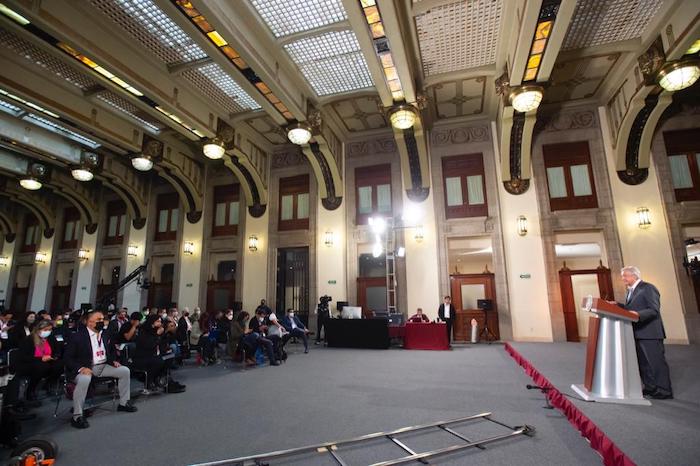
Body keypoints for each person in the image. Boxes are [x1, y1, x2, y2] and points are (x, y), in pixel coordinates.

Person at [63, 310, 137, 429]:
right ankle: (77, 415)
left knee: (124, 371)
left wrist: (113, 360)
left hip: (103, 365)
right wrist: (81, 368)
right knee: (84, 380)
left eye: (102, 319)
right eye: (98, 320)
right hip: (85, 367)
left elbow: (111, 350)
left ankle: (124, 403)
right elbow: (67, 358)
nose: (101, 322)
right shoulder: (77, 336)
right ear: (89, 322)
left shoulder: (106, 334)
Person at [617, 266, 673, 399]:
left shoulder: (648, 288)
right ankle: (650, 387)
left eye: (625, 276)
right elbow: (631, 309)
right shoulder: (630, 291)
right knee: (644, 363)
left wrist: (638, 314)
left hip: (650, 333)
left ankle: (664, 390)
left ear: (634, 276)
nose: (623, 279)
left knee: (655, 362)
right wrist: (618, 306)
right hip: (637, 332)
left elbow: (654, 310)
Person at [6, 320, 64, 405]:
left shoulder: (51, 338)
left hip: (47, 360)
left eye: (50, 329)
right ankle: (31, 390)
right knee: (42, 367)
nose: (48, 332)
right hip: (30, 362)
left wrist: (55, 356)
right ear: (39, 329)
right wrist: (41, 358)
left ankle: (49, 384)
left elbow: (57, 350)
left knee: (60, 365)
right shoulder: (29, 339)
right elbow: (24, 356)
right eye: (46, 329)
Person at [133, 315, 185, 394]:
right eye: (158, 321)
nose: (160, 323)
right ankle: (150, 382)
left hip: (155, 355)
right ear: (152, 323)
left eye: (160, 321)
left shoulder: (158, 331)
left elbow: (163, 344)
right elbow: (149, 345)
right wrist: (157, 335)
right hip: (143, 356)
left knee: (169, 357)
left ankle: (165, 380)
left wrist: (166, 332)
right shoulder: (144, 331)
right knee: (159, 361)